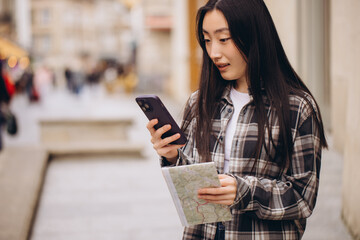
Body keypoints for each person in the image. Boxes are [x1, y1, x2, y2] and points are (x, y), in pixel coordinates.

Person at [146, 0, 328, 239]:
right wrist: (172, 156)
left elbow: (302, 198)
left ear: (254, 37)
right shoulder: (199, 102)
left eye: (223, 39)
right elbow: (193, 191)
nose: (214, 53)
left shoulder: (297, 107)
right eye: (207, 40)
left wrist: (244, 191)